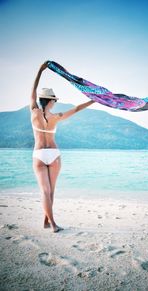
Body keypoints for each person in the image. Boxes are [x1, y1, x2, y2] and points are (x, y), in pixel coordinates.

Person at [30, 61, 95, 232]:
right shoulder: (56, 116)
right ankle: (52, 224)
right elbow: (77, 109)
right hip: (53, 154)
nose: (54, 103)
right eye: (53, 101)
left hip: (38, 154)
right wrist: (94, 100)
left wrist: (40, 70)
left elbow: (33, 90)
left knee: (45, 191)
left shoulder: (34, 111)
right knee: (51, 191)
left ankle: (47, 221)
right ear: (50, 101)